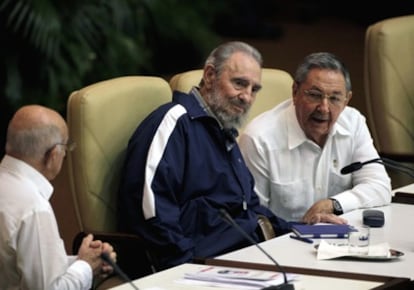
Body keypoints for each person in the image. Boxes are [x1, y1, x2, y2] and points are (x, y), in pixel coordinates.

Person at [117, 42, 342, 271]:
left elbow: (249, 210)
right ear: (210, 75)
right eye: (239, 84)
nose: (246, 97)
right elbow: (152, 211)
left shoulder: (223, 133)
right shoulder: (175, 121)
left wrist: (306, 229)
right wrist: (186, 268)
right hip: (198, 268)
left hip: (245, 261)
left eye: (254, 89)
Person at [238, 52, 392, 224]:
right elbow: (256, 219)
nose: (324, 108)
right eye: (314, 95)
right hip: (284, 242)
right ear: (295, 92)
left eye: (334, 98)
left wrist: (333, 205)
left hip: (342, 238)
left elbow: (380, 187)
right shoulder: (259, 139)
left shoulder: (353, 123)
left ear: (346, 100)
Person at [0, 105, 117, 289]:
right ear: (53, 154)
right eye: (66, 147)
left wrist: (83, 261)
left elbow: (24, 270)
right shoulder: (34, 208)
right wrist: (86, 266)